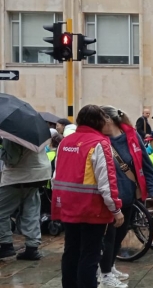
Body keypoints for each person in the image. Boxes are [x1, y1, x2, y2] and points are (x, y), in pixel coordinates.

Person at [52, 105, 124, 288]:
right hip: (92, 209)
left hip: (68, 207)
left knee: (71, 251)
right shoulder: (99, 143)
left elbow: (56, 176)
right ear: (98, 121)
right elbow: (106, 181)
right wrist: (115, 209)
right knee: (90, 254)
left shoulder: (65, 142)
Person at [98, 105, 153, 288]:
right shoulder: (99, 140)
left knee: (121, 234)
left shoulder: (132, 137)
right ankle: (105, 274)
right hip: (108, 199)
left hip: (129, 197)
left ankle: (109, 266)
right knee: (108, 237)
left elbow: (146, 164)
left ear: (108, 120)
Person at [0, 132, 52, 261]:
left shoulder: (11, 134)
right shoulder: (33, 131)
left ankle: (6, 245)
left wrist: (2, 148)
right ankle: (32, 248)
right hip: (39, 174)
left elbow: (12, 159)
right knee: (31, 210)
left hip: (18, 177)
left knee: (1, 211)